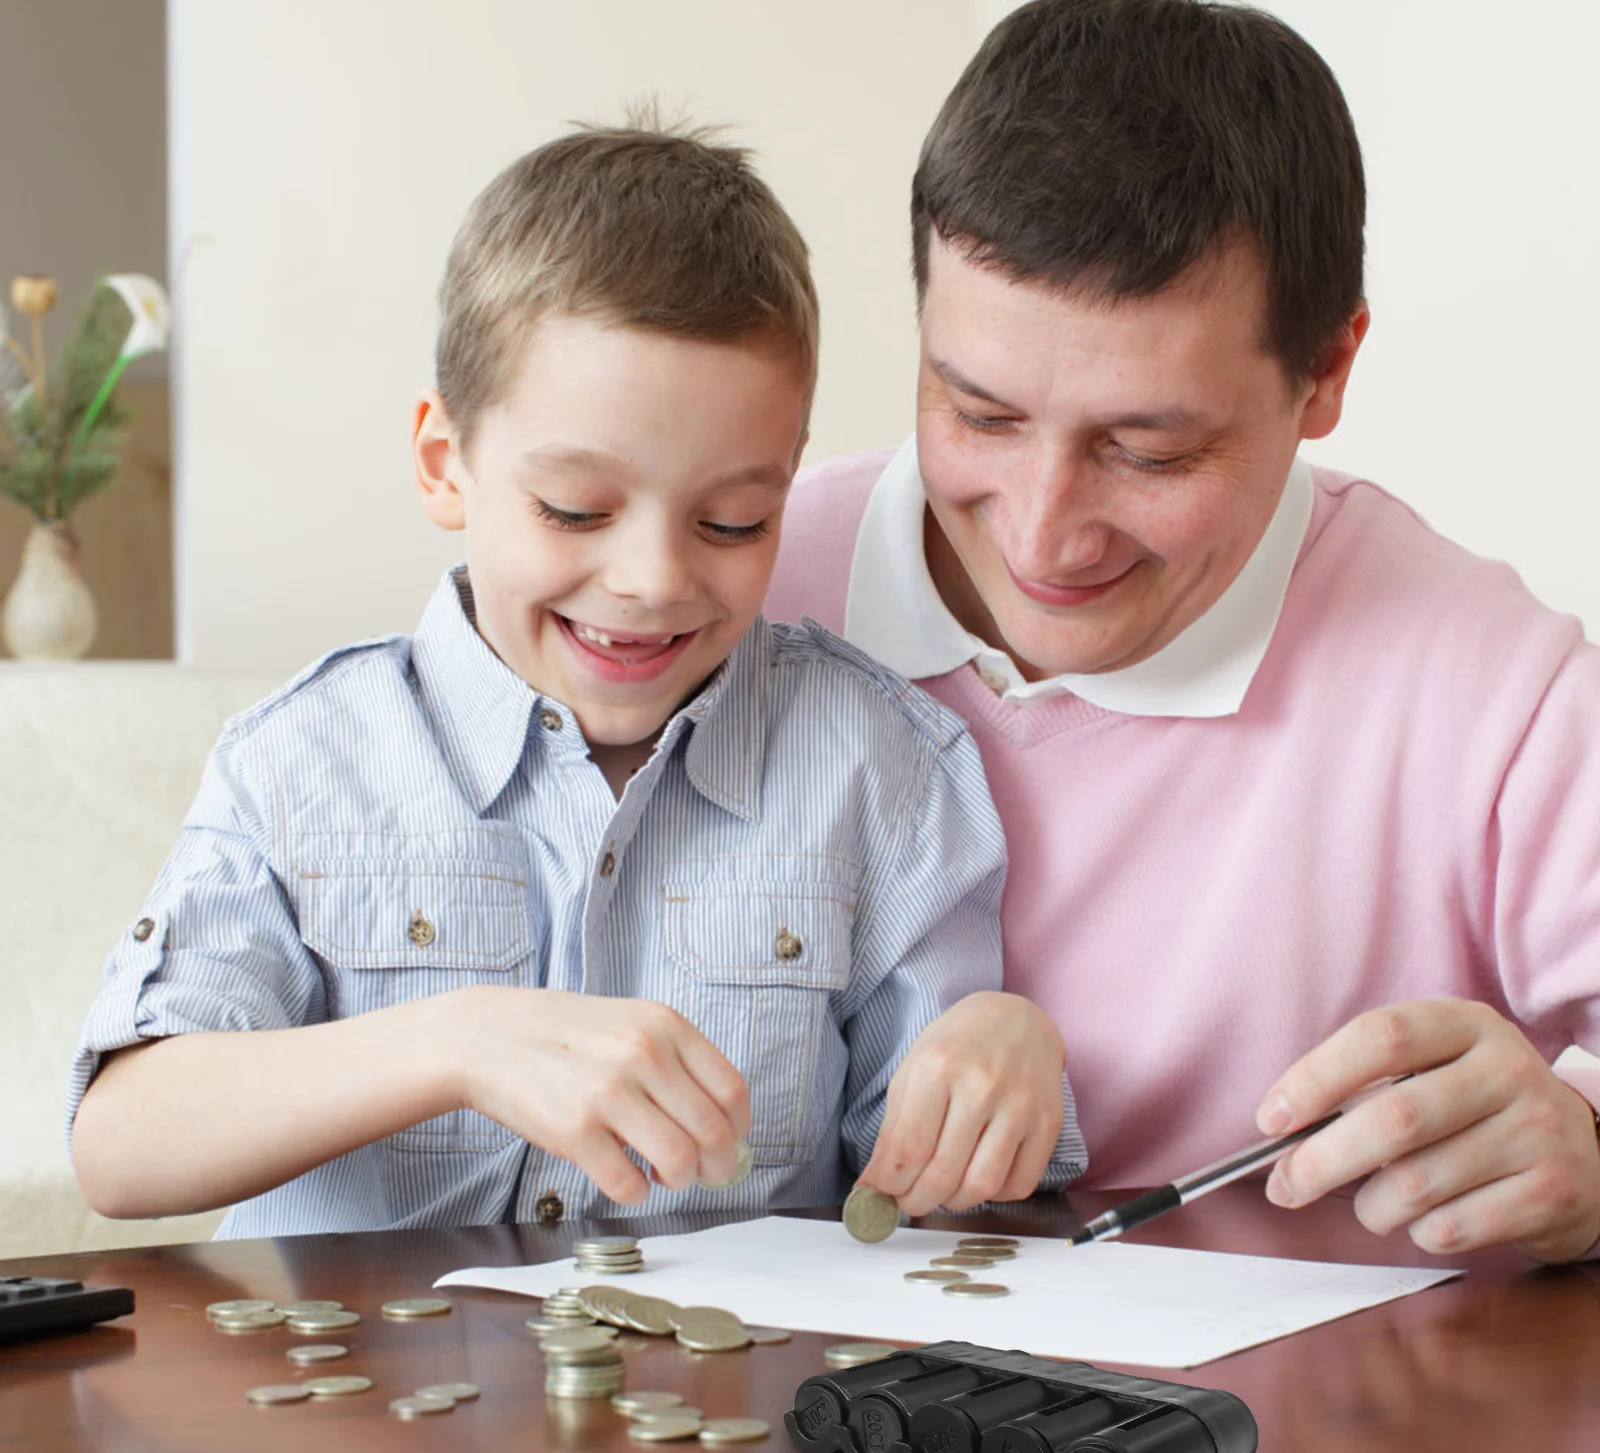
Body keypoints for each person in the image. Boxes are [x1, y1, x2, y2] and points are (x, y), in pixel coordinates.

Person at [67, 123, 1084, 1238]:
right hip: (362, 1356)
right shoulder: (307, 760)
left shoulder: (880, 769)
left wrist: (1004, 1057)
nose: (653, 581)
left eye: (732, 521)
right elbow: (120, 1146)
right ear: (444, 463)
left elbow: (934, 1201)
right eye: (575, 510)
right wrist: (453, 1043)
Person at [771, 0, 1600, 1262]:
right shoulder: (727, 588)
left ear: (1326, 372)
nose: (1042, 536)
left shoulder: (1492, 693)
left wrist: (1589, 1155)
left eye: (1148, 450)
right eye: (980, 415)